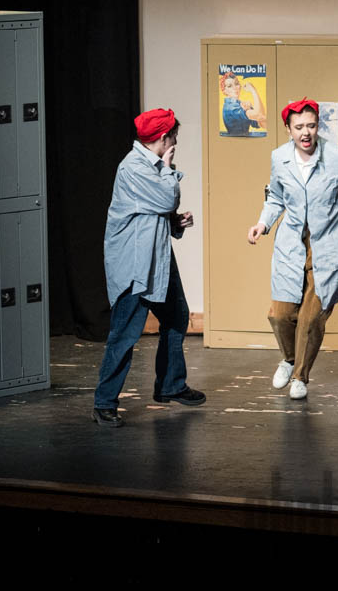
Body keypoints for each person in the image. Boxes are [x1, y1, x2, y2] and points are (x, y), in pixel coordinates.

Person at [247, 98, 338, 400]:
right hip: (291, 245)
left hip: (327, 246)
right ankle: (289, 360)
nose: (306, 133)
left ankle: (300, 375)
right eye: (299, 127)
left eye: (311, 126)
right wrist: (263, 223)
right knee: (280, 314)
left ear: (318, 127)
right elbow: (276, 197)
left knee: (311, 318)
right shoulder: (280, 158)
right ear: (288, 129)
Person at [93, 108, 203, 427]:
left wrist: (175, 223)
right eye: (174, 137)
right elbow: (166, 199)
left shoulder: (151, 166)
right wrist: (168, 170)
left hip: (157, 259)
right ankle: (104, 402)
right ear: (163, 137)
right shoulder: (134, 168)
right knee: (125, 333)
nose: (176, 143)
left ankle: (170, 384)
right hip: (135, 265)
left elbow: (155, 211)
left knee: (177, 316)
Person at [220, 71, 266, 136]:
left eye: (236, 84)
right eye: (230, 86)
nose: (235, 88)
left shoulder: (240, 105)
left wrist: (250, 109)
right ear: (224, 91)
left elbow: (264, 124)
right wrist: (253, 90)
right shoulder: (230, 107)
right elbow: (259, 115)